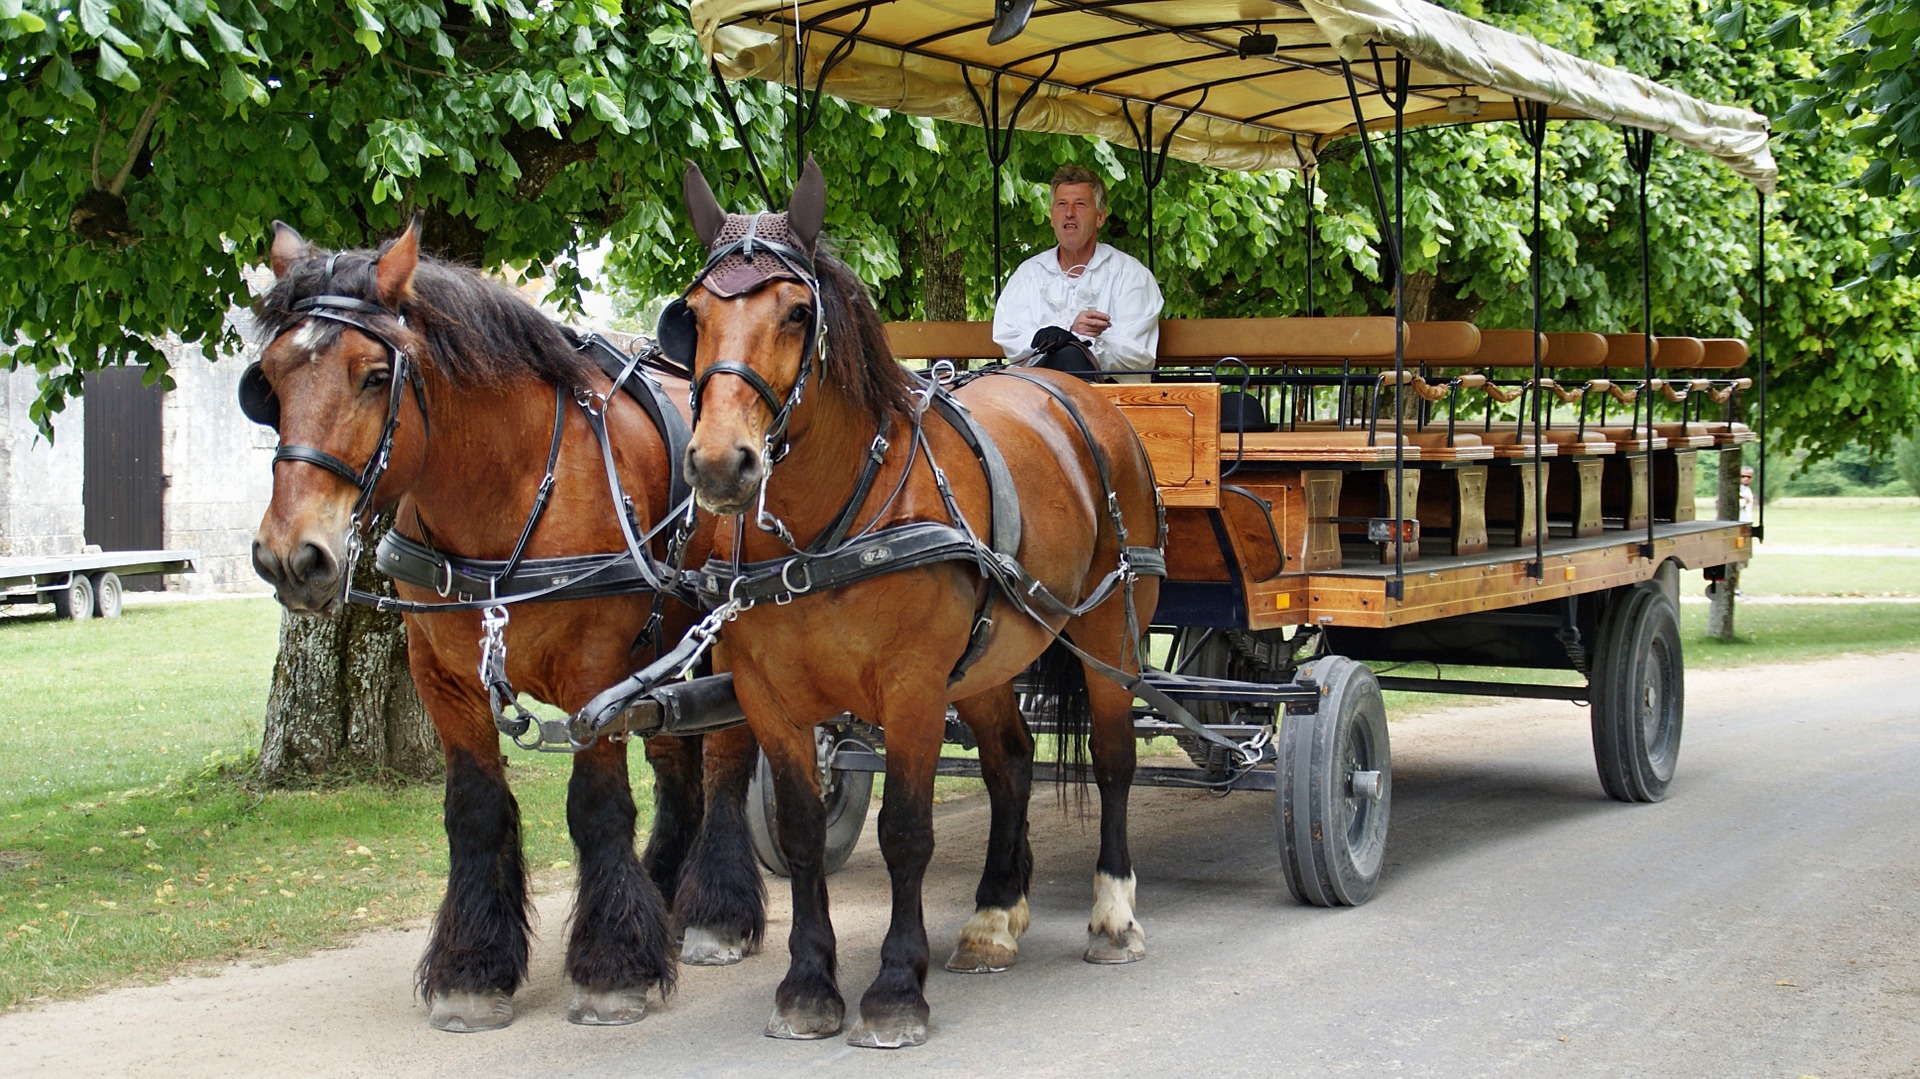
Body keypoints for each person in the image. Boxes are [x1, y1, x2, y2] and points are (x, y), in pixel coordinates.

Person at [992, 166, 1163, 383]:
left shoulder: (1130, 275)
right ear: (1052, 217)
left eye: (1080, 204)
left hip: (1111, 399)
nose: (1069, 212)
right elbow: (1012, 341)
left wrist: (1075, 341)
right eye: (1061, 204)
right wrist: (1064, 332)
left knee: (1071, 356)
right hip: (1039, 396)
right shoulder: (1029, 275)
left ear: (1100, 217)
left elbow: (1137, 356)